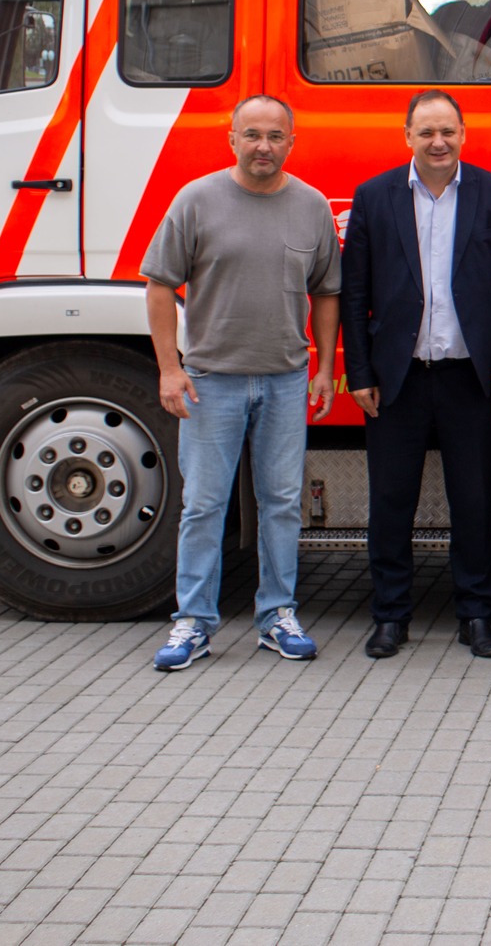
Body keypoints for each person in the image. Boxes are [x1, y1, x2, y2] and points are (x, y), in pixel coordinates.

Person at [143, 94, 341, 671]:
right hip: (211, 382)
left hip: (285, 380)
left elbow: (327, 292)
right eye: (252, 135)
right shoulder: (196, 200)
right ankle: (193, 622)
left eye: (275, 136)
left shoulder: (311, 206)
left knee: (281, 504)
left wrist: (325, 368)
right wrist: (169, 368)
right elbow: (160, 286)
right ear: (231, 139)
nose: (263, 146)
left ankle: (277, 615)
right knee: (204, 505)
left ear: (291, 143)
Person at [342, 89, 491, 661]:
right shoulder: (374, 196)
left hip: (468, 379)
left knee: (473, 503)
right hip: (396, 378)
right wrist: (359, 372)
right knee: (390, 502)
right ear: (407, 136)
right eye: (426, 131)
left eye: (447, 130)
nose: (438, 141)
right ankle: (390, 616)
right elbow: (354, 292)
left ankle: (476, 614)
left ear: (463, 134)